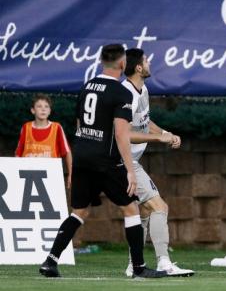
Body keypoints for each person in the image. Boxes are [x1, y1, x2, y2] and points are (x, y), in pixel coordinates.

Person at [39, 44, 166, 279]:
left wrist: (79, 156)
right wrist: (129, 169)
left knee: (79, 211)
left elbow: (79, 124)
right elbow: (121, 134)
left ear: (101, 62)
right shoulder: (120, 92)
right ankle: (138, 267)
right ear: (121, 64)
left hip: (83, 157)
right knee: (131, 209)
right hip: (105, 160)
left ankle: (50, 261)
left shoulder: (86, 87)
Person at [121, 48, 194, 277]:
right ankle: (164, 262)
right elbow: (122, 134)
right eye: (146, 60)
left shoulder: (142, 90)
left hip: (129, 160)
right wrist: (158, 139)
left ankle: (134, 264)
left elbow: (144, 121)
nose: (150, 61)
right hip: (123, 161)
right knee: (159, 207)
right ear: (139, 67)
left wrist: (166, 133)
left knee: (143, 211)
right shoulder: (125, 94)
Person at [15, 94, 73, 189]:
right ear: (33, 110)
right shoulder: (26, 127)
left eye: (46, 106)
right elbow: (18, 153)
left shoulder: (57, 128)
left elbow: (67, 152)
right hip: (27, 176)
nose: (43, 109)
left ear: (50, 111)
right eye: (39, 106)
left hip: (50, 177)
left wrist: (70, 174)